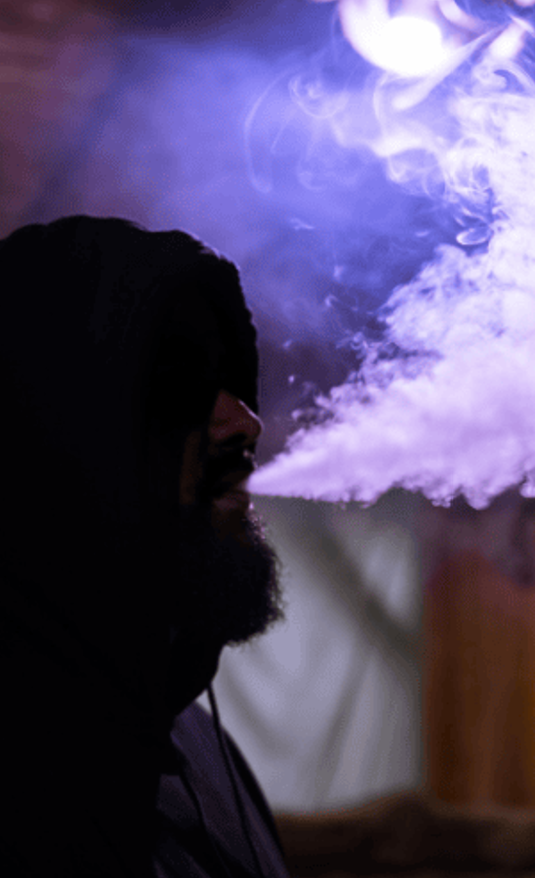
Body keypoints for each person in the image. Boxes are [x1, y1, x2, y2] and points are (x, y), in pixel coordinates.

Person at [1, 215, 291, 877]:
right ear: (59, 431)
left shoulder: (205, 751)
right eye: (181, 386)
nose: (245, 422)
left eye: (233, 383)